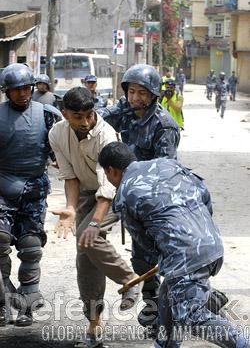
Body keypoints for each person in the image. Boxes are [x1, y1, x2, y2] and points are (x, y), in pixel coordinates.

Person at [98, 141, 249, 348]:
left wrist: (168, 254)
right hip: (212, 243)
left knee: (191, 316)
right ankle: (164, 344)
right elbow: (204, 196)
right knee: (168, 297)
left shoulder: (125, 193)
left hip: (185, 256)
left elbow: (144, 243)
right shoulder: (168, 165)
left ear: (111, 171)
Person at [48, 87, 140, 346]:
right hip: (86, 192)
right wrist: (70, 208)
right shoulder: (56, 133)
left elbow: (108, 186)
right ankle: (94, 324)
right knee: (85, 255)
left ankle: (130, 279)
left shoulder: (106, 134)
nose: (85, 122)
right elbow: (70, 176)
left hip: (117, 190)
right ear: (64, 113)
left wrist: (95, 223)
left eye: (89, 115)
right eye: (78, 116)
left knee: (86, 237)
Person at [98, 64, 180, 331]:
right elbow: (97, 120)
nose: (135, 98)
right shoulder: (126, 112)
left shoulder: (163, 125)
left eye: (142, 93)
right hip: (129, 195)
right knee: (141, 258)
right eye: (131, 91)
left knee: (165, 255)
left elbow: (166, 170)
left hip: (155, 199)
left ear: (154, 94)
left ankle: (196, 299)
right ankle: (153, 306)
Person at [0, 63, 61, 327]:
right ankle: (3, 302)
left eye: (27, 88)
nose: (23, 93)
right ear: (7, 92)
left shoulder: (48, 115)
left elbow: (65, 148)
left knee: (31, 247)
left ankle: (26, 306)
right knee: (0, 241)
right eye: (17, 90)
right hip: (2, 189)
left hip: (34, 190)